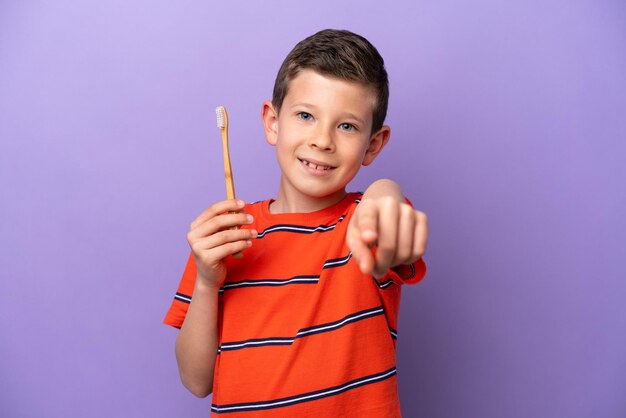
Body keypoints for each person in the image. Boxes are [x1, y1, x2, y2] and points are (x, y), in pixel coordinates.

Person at [164, 28, 429, 417]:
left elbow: (386, 213)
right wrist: (206, 281)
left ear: (373, 144)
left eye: (347, 126)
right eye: (306, 115)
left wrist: (385, 191)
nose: (322, 140)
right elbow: (196, 380)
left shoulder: (365, 224)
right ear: (273, 122)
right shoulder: (227, 235)